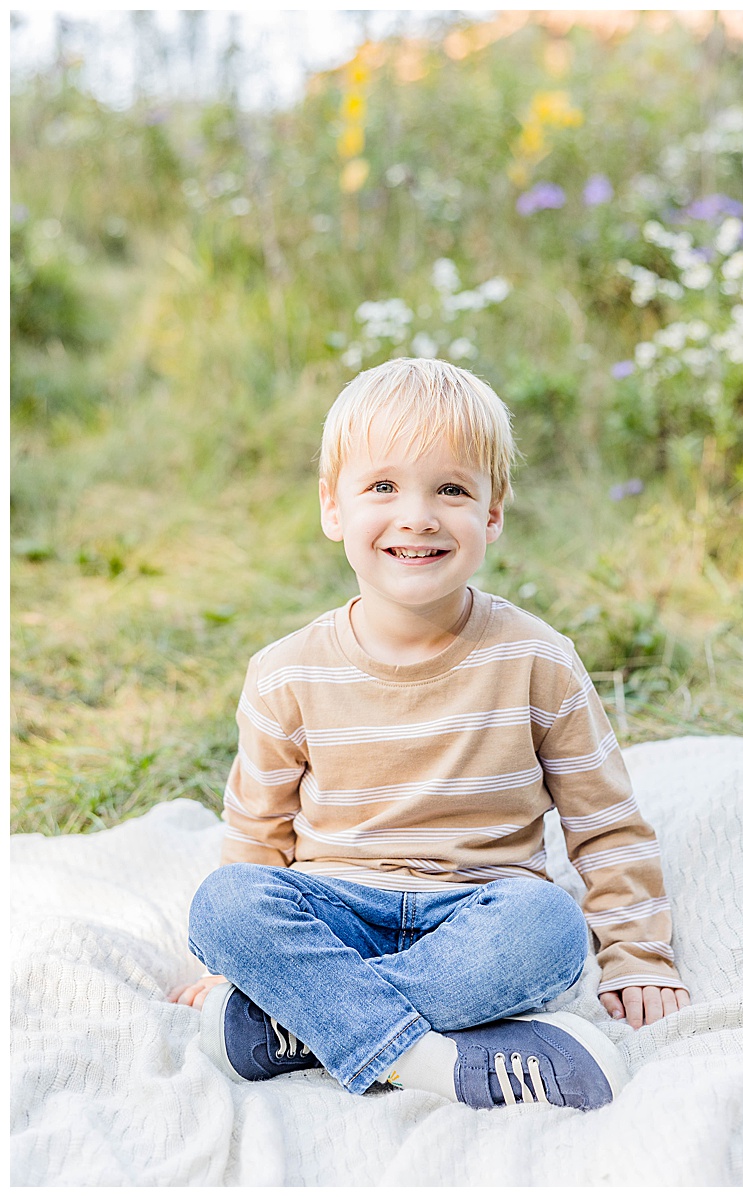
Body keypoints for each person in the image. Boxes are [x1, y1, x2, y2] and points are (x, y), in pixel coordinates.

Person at [167, 357, 689, 1110]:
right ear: (333, 508)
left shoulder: (536, 659)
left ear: (493, 514)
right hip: (334, 911)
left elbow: (605, 824)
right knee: (223, 905)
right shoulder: (287, 673)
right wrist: (236, 963)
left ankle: (301, 1024)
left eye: (451, 488)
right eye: (382, 486)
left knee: (551, 926)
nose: (417, 515)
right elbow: (257, 829)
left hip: (477, 916)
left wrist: (640, 954)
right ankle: (429, 1060)